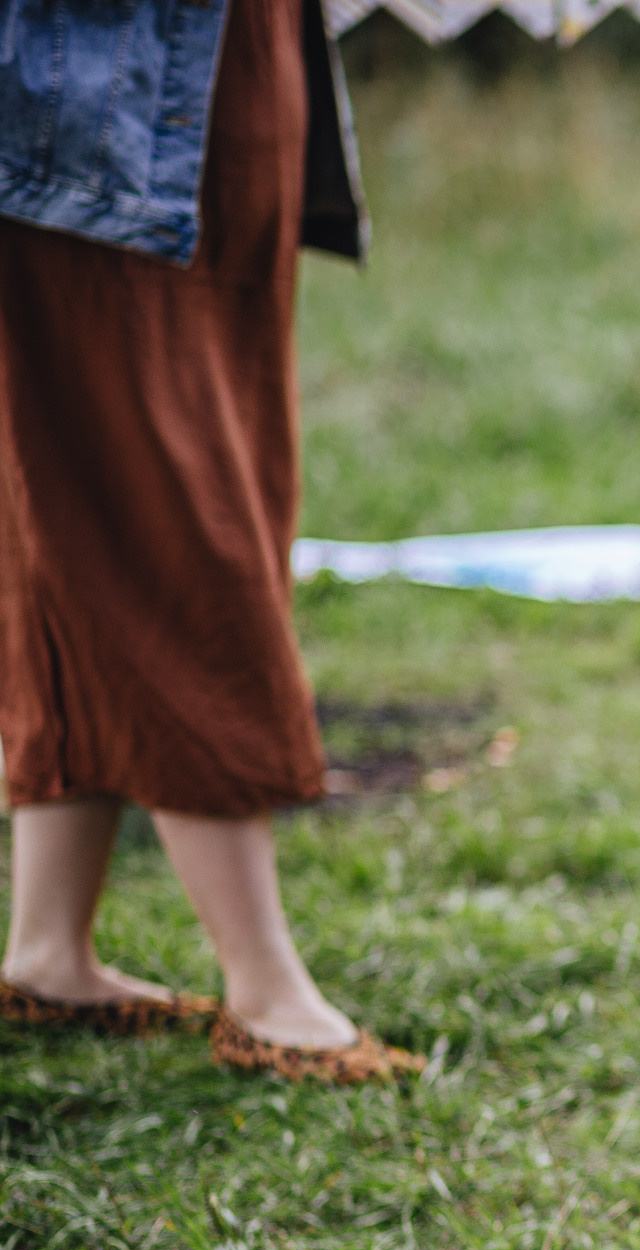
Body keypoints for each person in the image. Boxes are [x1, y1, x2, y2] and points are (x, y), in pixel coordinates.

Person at [0, 0, 416, 1083]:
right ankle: (264, 981)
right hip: (95, 97)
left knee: (109, 493)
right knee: (169, 499)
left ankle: (50, 944)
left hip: (215, 67)